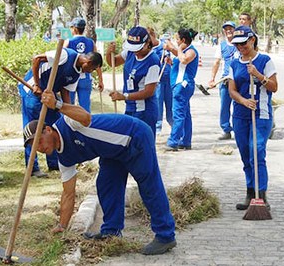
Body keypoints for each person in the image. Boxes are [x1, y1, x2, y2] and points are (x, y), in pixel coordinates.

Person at [24, 90, 177, 255]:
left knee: (149, 186)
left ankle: (165, 235)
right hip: (112, 153)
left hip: (133, 136)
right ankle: (111, 231)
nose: (40, 148)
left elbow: (86, 117)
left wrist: (57, 105)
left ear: (47, 130)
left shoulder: (68, 122)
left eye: (39, 141)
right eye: (35, 147)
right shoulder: (64, 159)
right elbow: (68, 194)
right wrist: (62, 226)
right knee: (106, 184)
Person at [19, 48, 102, 177]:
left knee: (55, 126)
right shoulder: (65, 55)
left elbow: (65, 93)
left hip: (49, 96)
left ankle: (53, 163)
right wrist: (36, 84)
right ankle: (32, 167)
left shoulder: (76, 73)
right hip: (32, 91)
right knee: (33, 129)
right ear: (88, 62)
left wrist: (68, 113)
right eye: (92, 69)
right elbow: (37, 59)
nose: (90, 72)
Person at [228, 26, 278, 210]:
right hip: (241, 115)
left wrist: (258, 75)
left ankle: (261, 195)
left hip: (261, 114)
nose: (240, 47)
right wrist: (243, 101)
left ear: (252, 40)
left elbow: (274, 87)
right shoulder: (234, 63)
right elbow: (232, 90)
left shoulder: (265, 61)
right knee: (245, 154)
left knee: (256, 151)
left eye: (243, 43)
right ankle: (250, 193)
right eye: (237, 44)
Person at [106, 26, 160, 139]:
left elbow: (149, 92)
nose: (135, 51)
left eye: (138, 48)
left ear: (147, 43)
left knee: (143, 147)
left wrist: (124, 96)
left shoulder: (153, 61)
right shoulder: (130, 53)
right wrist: (108, 53)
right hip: (130, 108)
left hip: (145, 111)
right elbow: (113, 62)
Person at [163, 28, 199, 151]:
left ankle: (173, 141)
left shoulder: (191, 52)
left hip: (182, 86)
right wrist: (171, 62)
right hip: (179, 84)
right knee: (185, 114)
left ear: (183, 40)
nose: (176, 41)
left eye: (177, 39)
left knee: (178, 114)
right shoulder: (183, 51)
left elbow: (184, 60)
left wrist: (178, 48)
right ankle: (185, 140)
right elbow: (180, 65)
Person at [64, 17, 104, 112]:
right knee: (85, 107)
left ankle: (68, 126)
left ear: (74, 28)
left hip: (70, 78)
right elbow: (96, 61)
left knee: (68, 106)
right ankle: (85, 125)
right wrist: (100, 80)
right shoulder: (91, 42)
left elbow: (62, 61)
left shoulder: (68, 42)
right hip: (85, 78)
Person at [209, 21, 238, 140]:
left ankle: (239, 130)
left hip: (238, 81)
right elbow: (216, 62)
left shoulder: (240, 44)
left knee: (238, 107)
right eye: (226, 29)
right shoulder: (221, 46)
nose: (228, 31)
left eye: (231, 28)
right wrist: (212, 78)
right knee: (224, 107)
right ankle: (226, 130)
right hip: (225, 81)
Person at [147, 27, 173, 135]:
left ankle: (174, 127)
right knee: (158, 105)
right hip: (156, 81)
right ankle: (157, 128)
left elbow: (172, 61)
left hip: (168, 78)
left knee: (170, 104)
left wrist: (169, 60)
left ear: (153, 36)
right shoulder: (147, 49)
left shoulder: (164, 45)